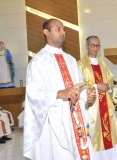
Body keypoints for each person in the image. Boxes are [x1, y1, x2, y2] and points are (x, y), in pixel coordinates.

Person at [24, 19, 96, 160]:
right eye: (58, 29)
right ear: (46, 32)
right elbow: (33, 93)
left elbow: (78, 86)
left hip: (76, 117)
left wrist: (85, 93)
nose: (63, 32)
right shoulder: (38, 61)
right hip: (55, 118)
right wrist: (58, 93)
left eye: (64, 29)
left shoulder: (70, 60)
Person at [77, 36, 117, 160]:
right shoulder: (80, 65)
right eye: (93, 45)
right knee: (94, 135)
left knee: (109, 135)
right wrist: (96, 86)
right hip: (92, 107)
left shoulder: (102, 63)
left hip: (105, 105)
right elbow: (79, 85)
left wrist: (108, 87)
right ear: (86, 46)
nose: (95, 48)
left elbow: (110, 80)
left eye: (98, 45)